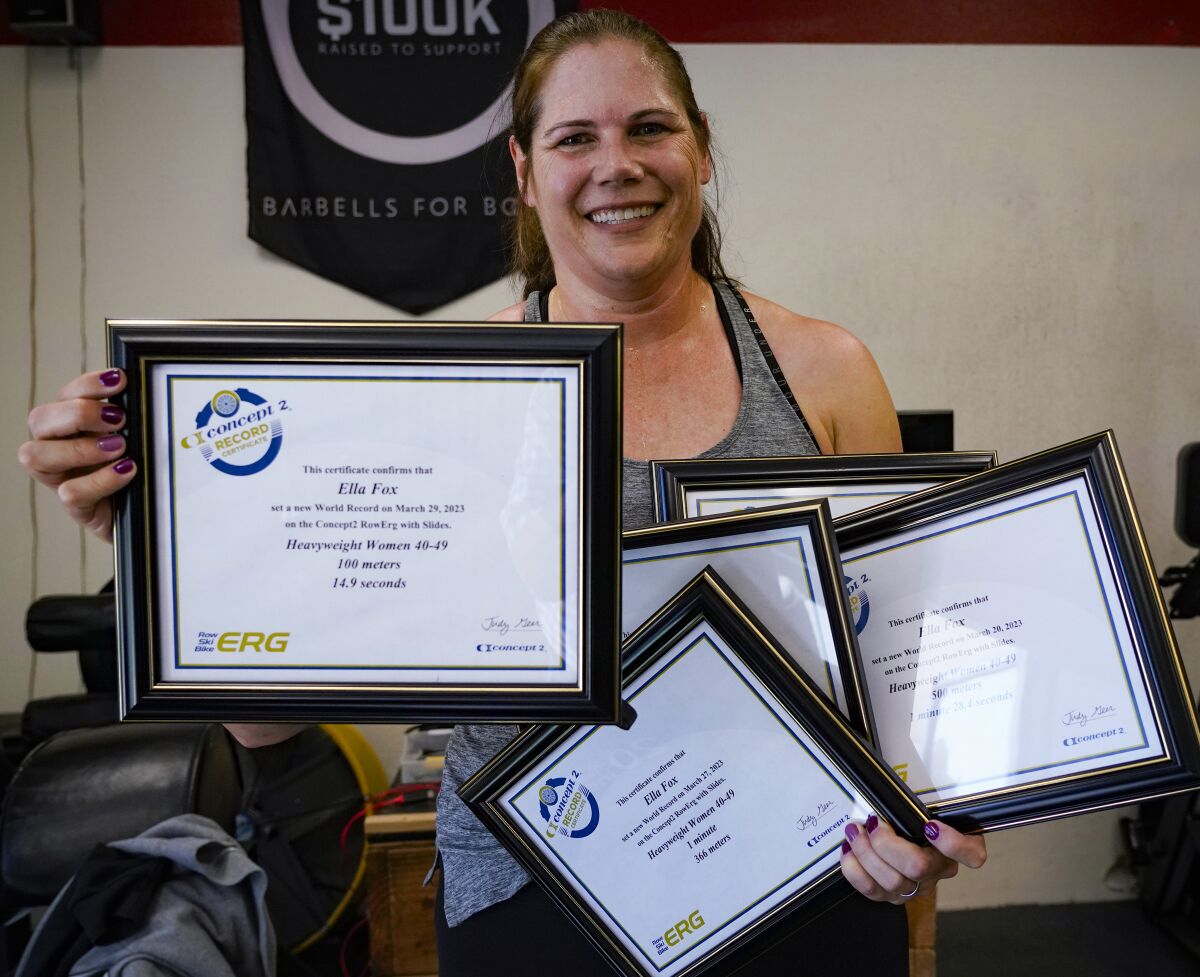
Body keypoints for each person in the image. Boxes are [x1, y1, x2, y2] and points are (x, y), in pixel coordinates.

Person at [20, 10, 985, 975]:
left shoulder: (824, 371)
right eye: (576, 138)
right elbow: (267, 721)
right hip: (534, 893)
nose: (618, 163)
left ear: (702, 151)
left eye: (650, 128)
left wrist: (929, 812)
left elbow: (897, 663)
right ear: (526, 174)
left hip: (801, 875)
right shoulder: (447, 393)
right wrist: (163, 542)